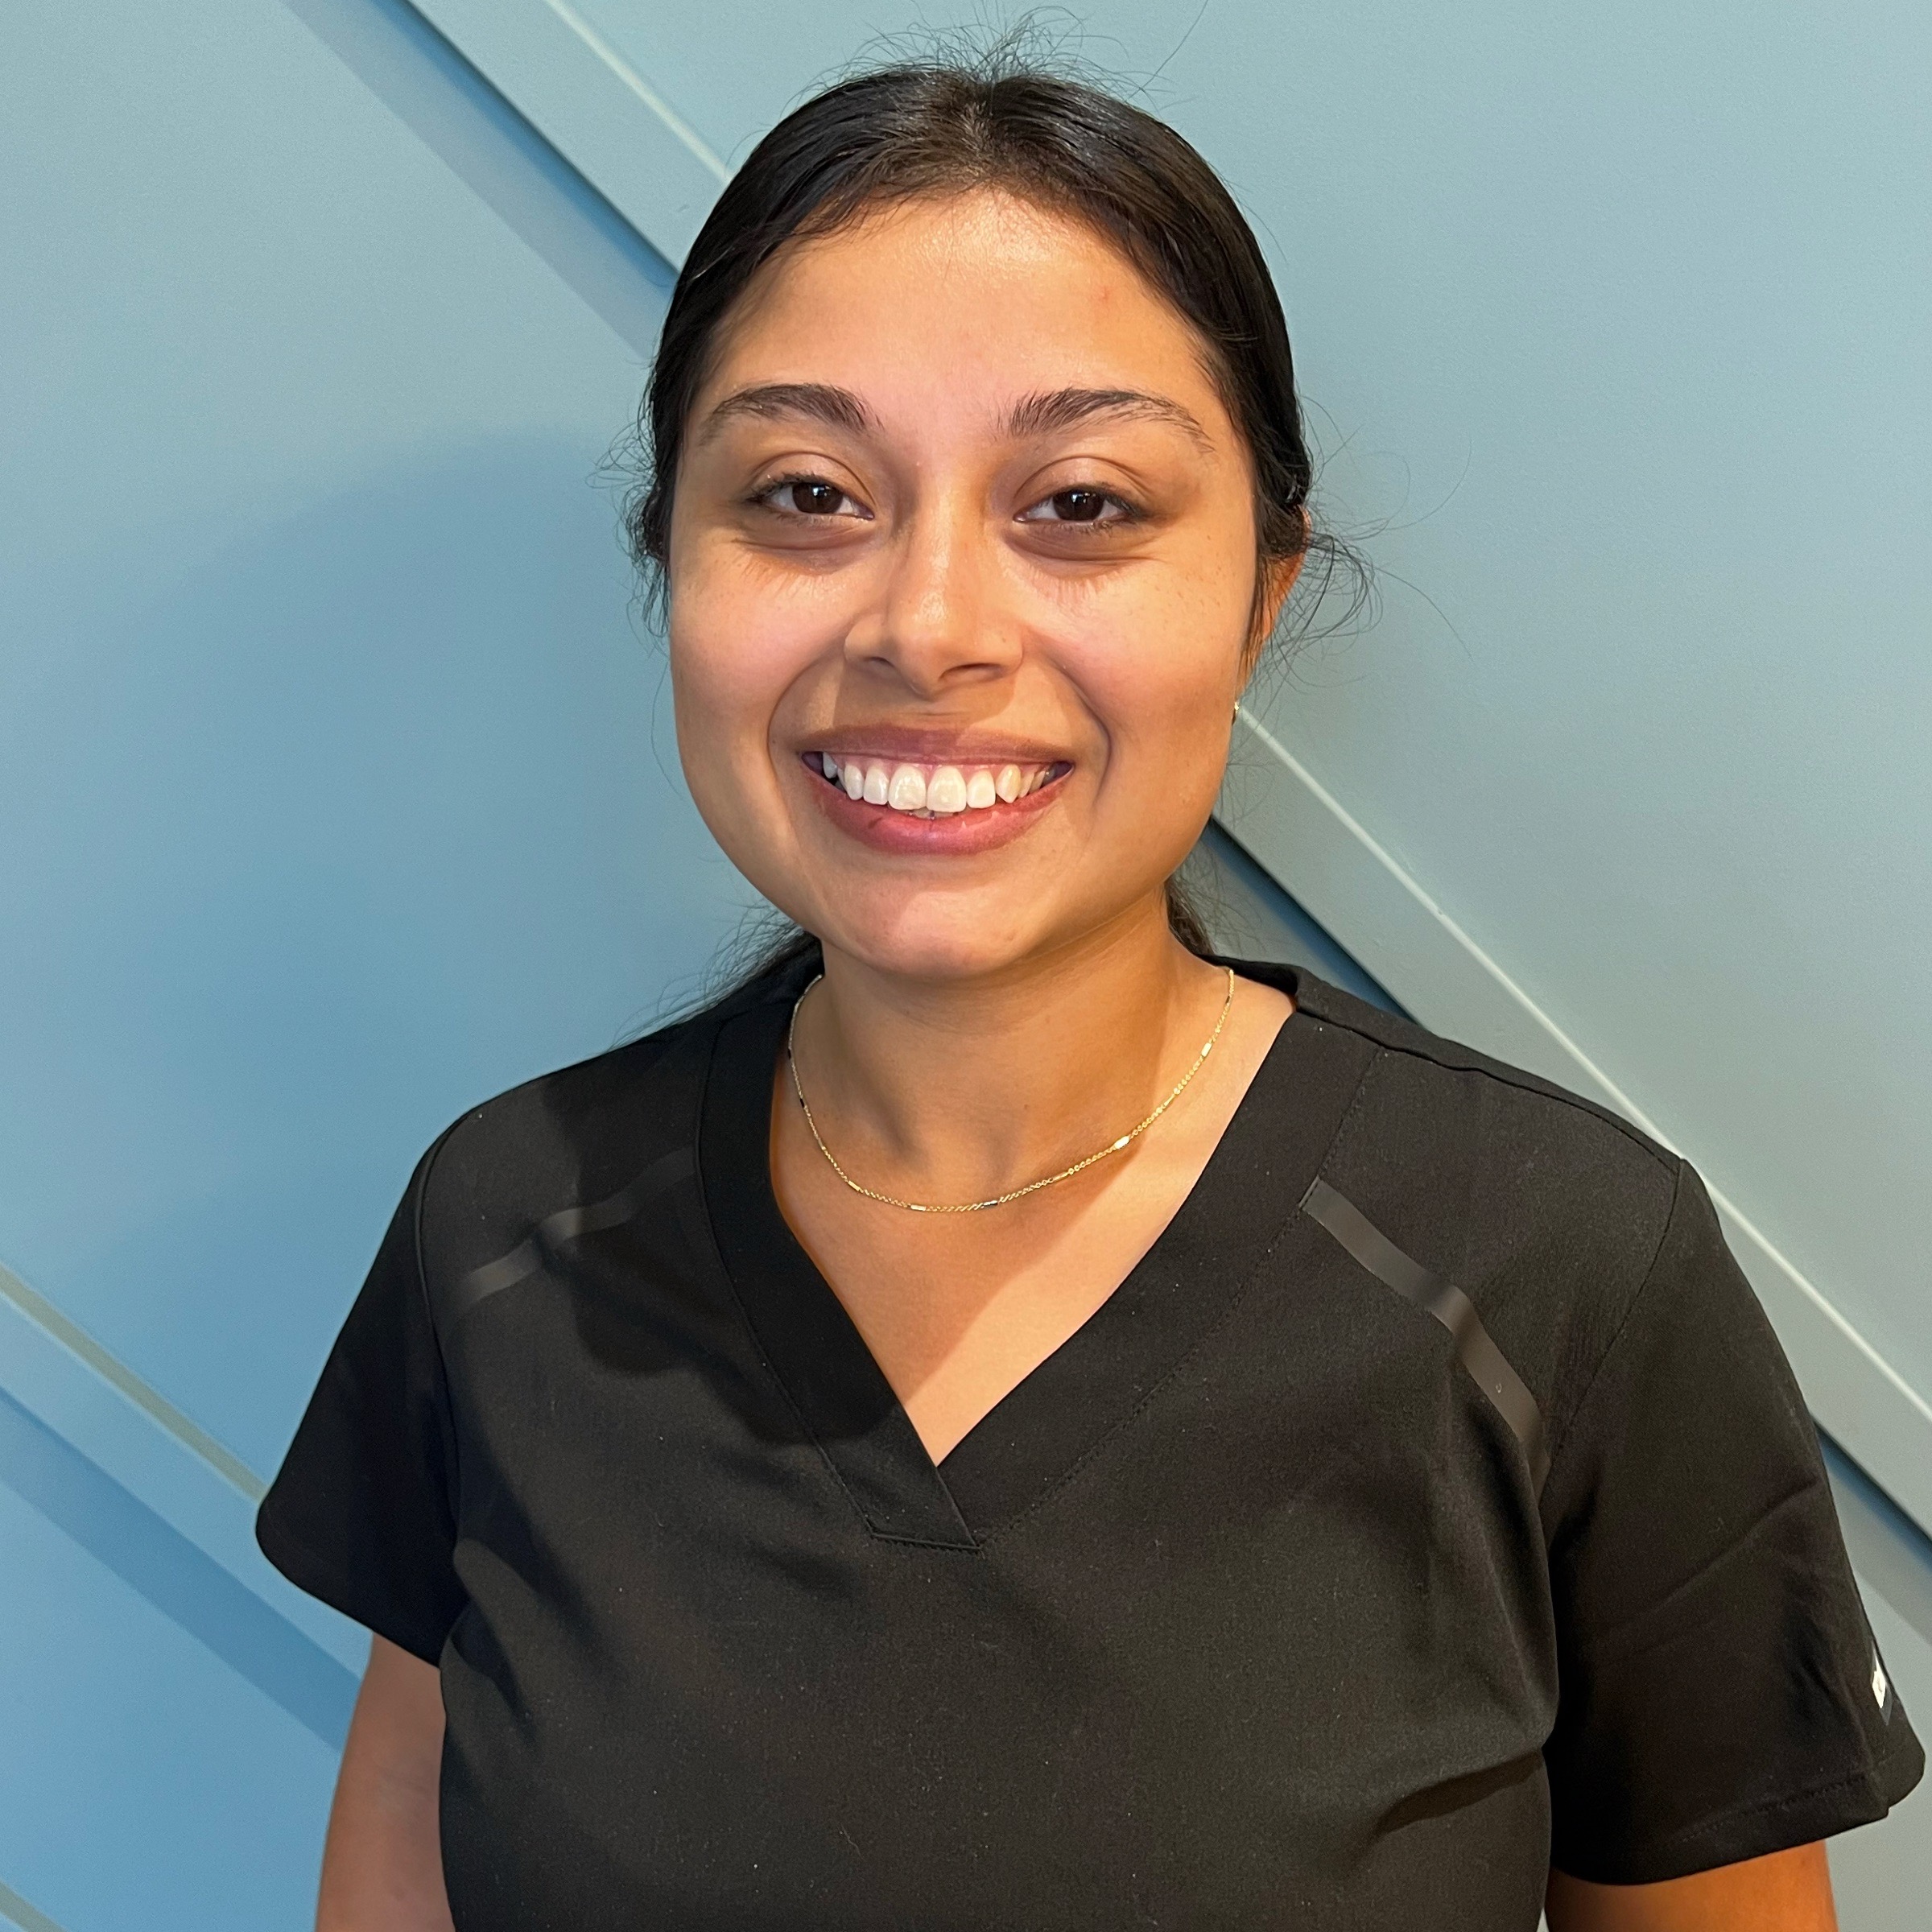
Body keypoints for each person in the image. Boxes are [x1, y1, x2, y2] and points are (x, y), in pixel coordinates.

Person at [257, 49, 1921, 1932]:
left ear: (1262, 592)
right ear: (672, 556)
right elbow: (403, 1837)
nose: (928, 626)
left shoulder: (1563, 1272)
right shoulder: (504, 1235)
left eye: (1079, 502)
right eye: (804, 491)